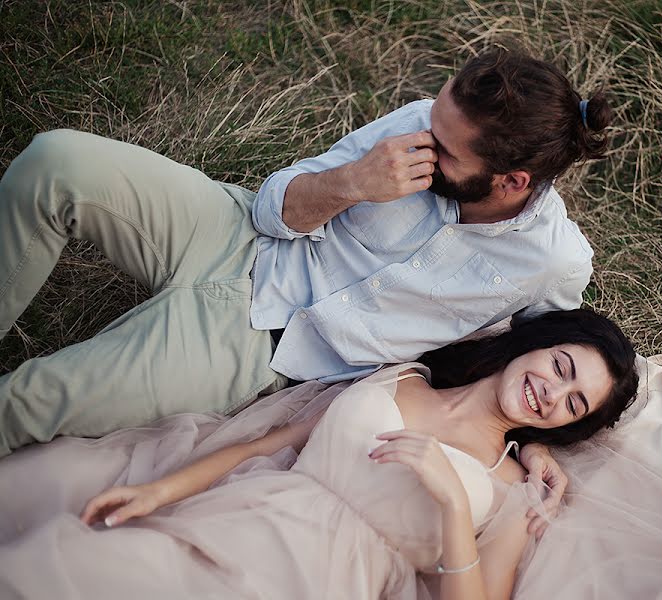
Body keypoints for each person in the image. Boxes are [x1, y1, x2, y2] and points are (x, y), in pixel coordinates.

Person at [0, 45, 610, 500]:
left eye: (447, 149)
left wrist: (528, 441)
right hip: (236, 231)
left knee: (31, 401)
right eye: (431, 120)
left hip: (264, 347)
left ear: (511, 181)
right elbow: (274, 204)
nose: (425, 137)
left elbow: (539, 352)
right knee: (57, 161)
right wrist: (352, 183)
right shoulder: (422, 125)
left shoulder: (552, 263)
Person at [0, 309, 640, 599]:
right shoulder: (402, 376)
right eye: (560, 367)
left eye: (574, 405)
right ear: (537, 342)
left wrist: (450, 503)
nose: (552, 394)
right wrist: (160, 491)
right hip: (244, 518)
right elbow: (266, 444)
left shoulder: (508, 492)